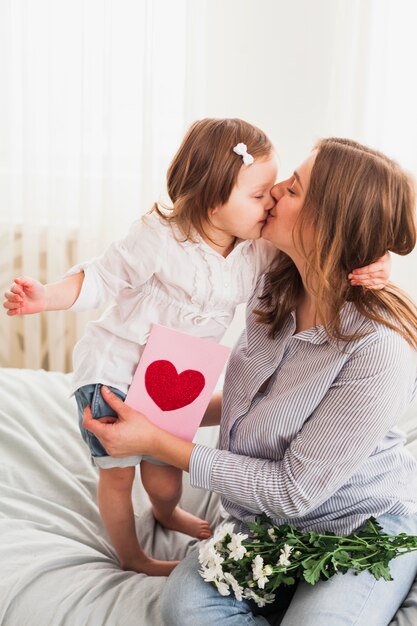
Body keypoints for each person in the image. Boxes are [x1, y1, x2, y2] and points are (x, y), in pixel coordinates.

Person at [3, 120, 386, 578]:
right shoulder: (159, 237)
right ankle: (131, 554)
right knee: (120, 472)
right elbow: (104, 276)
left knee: (165, 474)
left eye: (275, 191)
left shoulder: (256, 251)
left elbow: (318, 253)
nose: (272, 202)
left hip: (173, 379)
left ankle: (165, 513)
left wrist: (371, 262)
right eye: (259, 195)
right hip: (117, 370)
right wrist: (48, 296)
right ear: (211, 198)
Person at [82, 137, 417, 625]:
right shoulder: (272, 279)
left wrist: (156, 440)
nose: (275, 189)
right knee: (185, 609)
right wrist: (150, 411)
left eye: (294, 188)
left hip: (355, 526)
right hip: (259, 526)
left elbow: (293, 491)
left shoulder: (379, 349)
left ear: (327, 223)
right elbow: (251, 405)